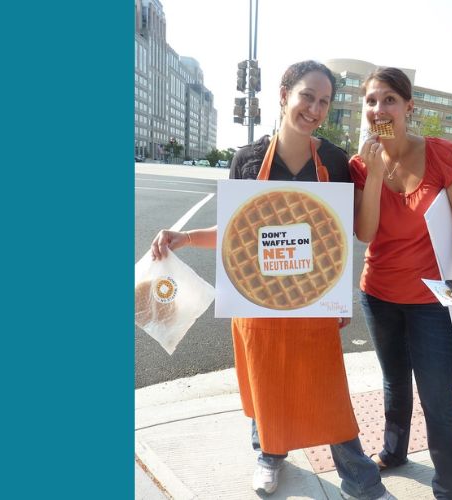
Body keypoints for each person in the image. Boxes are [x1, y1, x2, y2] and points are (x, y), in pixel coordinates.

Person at [151, 60, 395, 500]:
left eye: (324, 101)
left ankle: (358, 476)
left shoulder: (335, 161)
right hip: (255, 301)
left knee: (326, 392)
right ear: (284, 95)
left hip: (313, 298)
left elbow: (351, 234)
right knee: (264, 381)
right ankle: (268, 454)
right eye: (307, 96)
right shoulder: (247, 160)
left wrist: (337, 299)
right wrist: (182, 237)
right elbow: (235, 233)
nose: (315, 108)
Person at [350, 67, 452, 500]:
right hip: (378, 293)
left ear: (409, 107)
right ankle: (394, 450)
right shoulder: (360, 165)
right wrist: (371, 173)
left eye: (389, 99)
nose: (379, 108)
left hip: (433, 297)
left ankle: (448, 486)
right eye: (371, 101)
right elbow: (365, 233)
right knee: (394, 380)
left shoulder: (444, 155)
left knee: (437, 391)